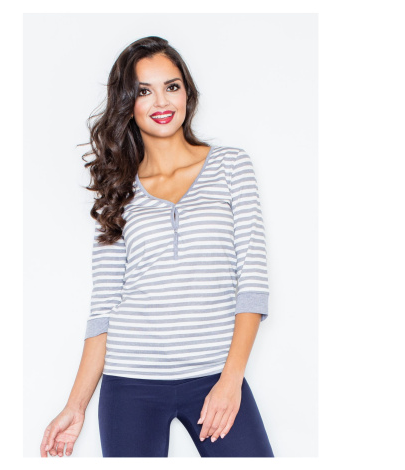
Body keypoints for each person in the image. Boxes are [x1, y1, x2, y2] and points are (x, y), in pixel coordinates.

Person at [40, 36, 274, 458]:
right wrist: (75, 406)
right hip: (130, 382)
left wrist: (231, 379)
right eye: (144, 91)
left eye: (172, 86)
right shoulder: (118, 190)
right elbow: (104, 306)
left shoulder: (231, 166)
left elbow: (253, 283)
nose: (161, 101)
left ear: (187, 92)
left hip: (215, 375)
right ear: (127, 103)